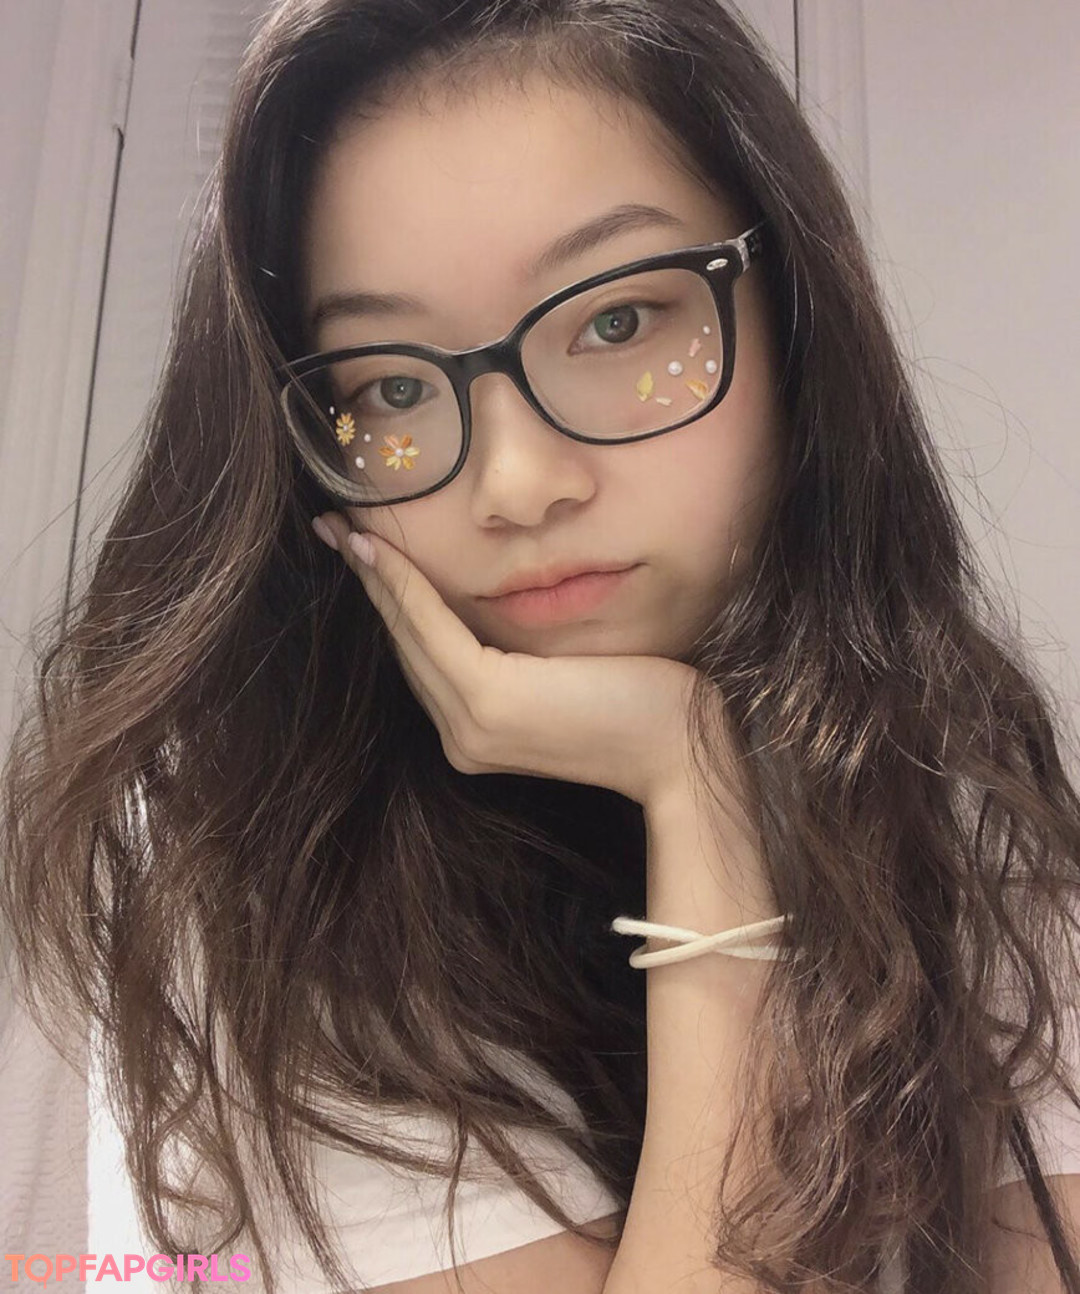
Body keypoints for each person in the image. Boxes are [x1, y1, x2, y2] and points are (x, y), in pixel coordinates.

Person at [4, 0, 1080, 1290]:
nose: (516, 485)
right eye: (390, 387)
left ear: (795, 320)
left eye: (618, 322)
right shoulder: (246, 853)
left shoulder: (950, 785)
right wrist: (694, 784)